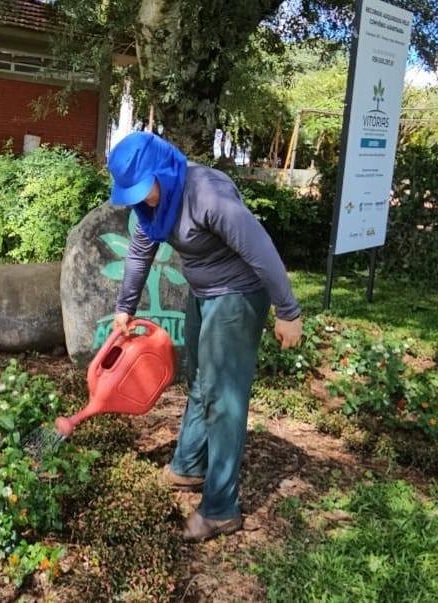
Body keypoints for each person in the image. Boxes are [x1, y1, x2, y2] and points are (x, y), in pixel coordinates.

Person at [108, 132, 302, 541]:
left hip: (237, 295)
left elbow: (261, 249)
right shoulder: (151, 208)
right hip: (203, 294)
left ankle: (220, 509)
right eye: (134, 193)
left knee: (223, 397)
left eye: (146, 189)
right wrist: (125, 307)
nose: (144, 199)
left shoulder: (207, 195)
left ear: (163, 170)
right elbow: (140, 251)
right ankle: (188, 466)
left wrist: (288, 311)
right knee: (198, 381)